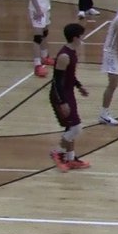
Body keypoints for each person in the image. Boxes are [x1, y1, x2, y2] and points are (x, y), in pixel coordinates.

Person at [49, 23, 91, 172]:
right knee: (76, 128)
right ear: (75, 38)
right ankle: (57, 152)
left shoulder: (72, 52)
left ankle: (71, 158)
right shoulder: (64, 56)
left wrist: (79, 86)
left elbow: (70, 75)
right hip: (61, 96)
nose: (83, 38)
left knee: (71, 126)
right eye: (81, 36)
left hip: (68, 93)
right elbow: (56, 81)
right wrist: (62, 102)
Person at [28, 0, 62, 78]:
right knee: (37, 36)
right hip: (38, 8)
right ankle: (37, 65)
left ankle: (44, 57)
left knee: (45, 33)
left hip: (45, 7)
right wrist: (37, 9)